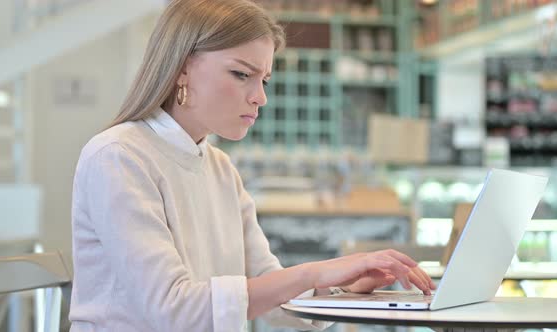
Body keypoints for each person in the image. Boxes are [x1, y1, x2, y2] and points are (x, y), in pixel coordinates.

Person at [69, 0, 436, 331]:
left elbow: (267, 287)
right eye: (242, 74)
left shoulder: (219, 167)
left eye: (264, 79)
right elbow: (173, 312)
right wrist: (315, 270)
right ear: (182, 69)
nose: (259, 97)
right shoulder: (119, 156)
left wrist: (339, 285)